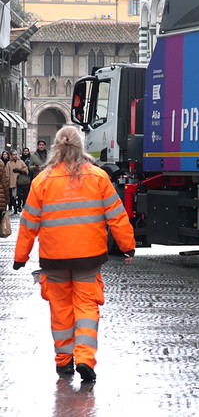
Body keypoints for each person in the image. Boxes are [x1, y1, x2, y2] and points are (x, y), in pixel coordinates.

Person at [13, 126, 135, 383]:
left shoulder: (42, 181)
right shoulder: (99, 177)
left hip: (54, 260)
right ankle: (85, 359)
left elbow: (29, 223)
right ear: (81, 147)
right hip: (88, 260)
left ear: (56, 147)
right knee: (87, 308)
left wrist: (20, 257)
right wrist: (127, 246)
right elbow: (116, 216)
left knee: (60, 311)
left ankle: (64, 361)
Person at [7, 149, 28, 214]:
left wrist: (21, 170)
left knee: (20, 195)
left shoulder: (21, 162)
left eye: (16, 154)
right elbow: (7, 173)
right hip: (13, 181)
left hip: (21, 181)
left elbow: (26, 169)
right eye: (13, 155)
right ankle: (15, 208)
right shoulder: (9, 163)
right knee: (13, 195)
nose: (15, 156)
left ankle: (19, 206)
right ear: (11, 155)